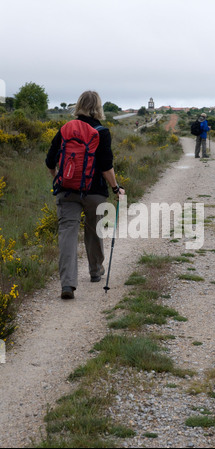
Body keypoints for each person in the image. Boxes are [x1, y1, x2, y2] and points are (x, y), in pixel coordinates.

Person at [46, 91, 125, 300]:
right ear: (98, 107)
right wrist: (116, 189)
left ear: (78, 105)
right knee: (94, 230)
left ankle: (68, 284)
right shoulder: (101, 132)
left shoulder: (65, 129)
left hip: (67, 191)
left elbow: (49, 161)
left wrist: (58, 179)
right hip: (95, 193)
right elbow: (106, 167)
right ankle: (95, 270)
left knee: (67, 235)